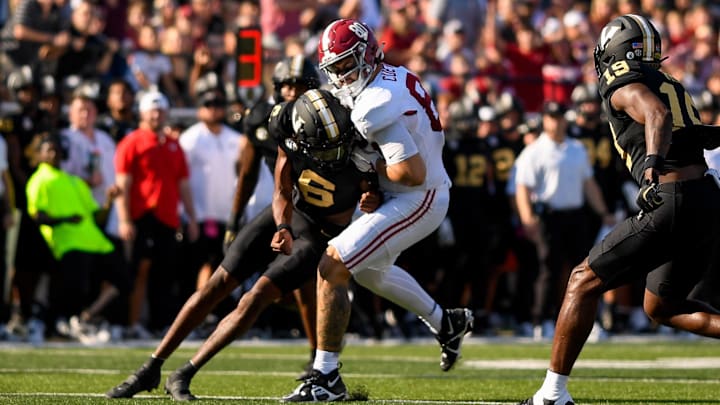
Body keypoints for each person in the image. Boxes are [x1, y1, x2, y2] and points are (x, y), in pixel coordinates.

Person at [106, 88, 380, 401]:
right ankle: (150, 368)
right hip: (289, 215)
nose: (332, 152)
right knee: (216, 284)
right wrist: (282, 225)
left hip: (319, 234)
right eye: (323, 146)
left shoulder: (362, 147)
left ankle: (185, 372)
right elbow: (281, 190)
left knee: (256, 296)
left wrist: (371, 198)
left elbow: (382, 189)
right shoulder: (291, 136)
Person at [518, 14, 720, 405]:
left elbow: (656, 115)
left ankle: (552, 395)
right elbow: (691, 132)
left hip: (674, 195)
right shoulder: (670, 82)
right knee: (662, 306)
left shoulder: (621, 79)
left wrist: (650, 167)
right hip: (705, 199)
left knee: (582, 280)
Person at [283, 18, 473, 402]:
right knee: (369, 272)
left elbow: (410, 170)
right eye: (332, 68)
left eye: (345, 64)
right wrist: (369, 181)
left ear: (367, 55)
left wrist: (362, 165)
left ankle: (326, 376)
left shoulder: (376, 103)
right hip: (399, 192)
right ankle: (445, 322)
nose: (338, 75)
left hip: (419, 196)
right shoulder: (385, 78)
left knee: (332, 265)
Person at [514, 101, 615, 340]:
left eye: (558, 117)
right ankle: (543, 319)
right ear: (544, 120)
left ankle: (586, 320)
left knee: (584, 271)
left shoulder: (576, 148)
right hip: (549, 216)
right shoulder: (535, 151)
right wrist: (528, 219)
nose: (555, 122)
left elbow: (589, 184)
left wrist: (603, 212)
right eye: (551, 117)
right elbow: (523, 189)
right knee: (548, 269)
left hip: (576, 215)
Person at [114, 90, 199, 337]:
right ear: (142, 113)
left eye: (160, 110)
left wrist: (191, 218)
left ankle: (159, 324)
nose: (157, 115)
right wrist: (124, 218)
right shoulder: (131, 142)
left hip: (168, 219)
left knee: (165, 274)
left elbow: (183, 185)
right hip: (141, 216)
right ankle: (129, 324)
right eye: (152, 110)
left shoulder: (173, 145)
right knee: (134, 272)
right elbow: (123, 184)